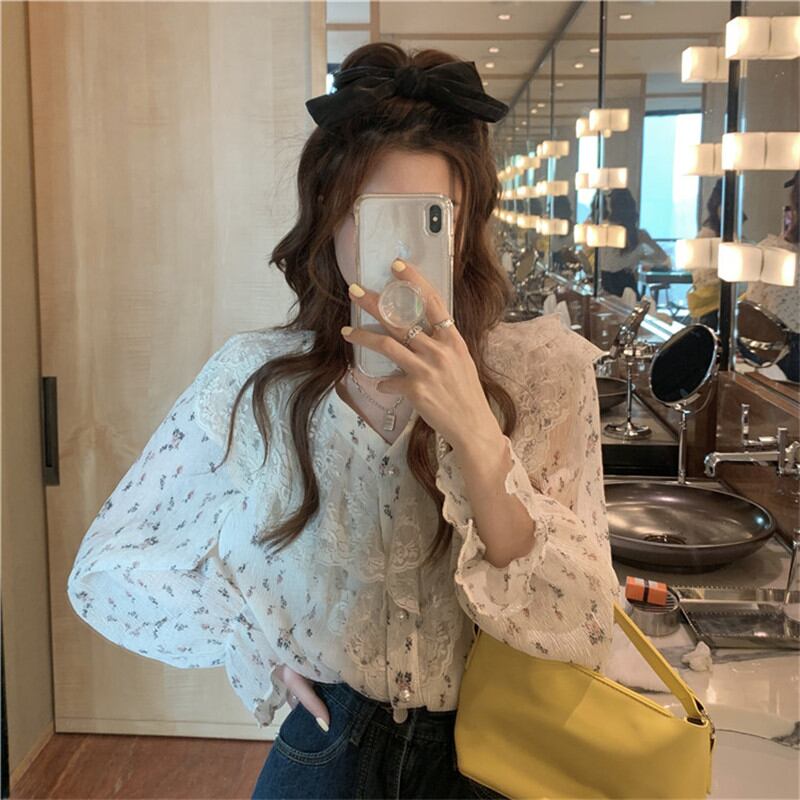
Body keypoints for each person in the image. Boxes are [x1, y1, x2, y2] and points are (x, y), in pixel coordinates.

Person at [67, 43, 619, 800]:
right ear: (328, 220)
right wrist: (251, 641)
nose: (401, 260)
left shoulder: (542, 374)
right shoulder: (257, 383)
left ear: (466, 229)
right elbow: (111, 564)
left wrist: (477, 436)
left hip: (492, 756)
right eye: (373, 218)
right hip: (325, 749)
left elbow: (585, 619)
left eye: (431, 220)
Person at [743, 171, 800, 382]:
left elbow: (752, 316)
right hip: (780, 361)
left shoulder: (771, 254)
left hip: (778, 361)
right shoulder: (773, 254)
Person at [598, 188, 670, 300]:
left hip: (606, 288)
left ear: (611, 207)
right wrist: (642, 259)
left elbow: (607, 262)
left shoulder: (603, 232)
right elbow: (663, 259)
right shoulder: (639, 236)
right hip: (627, 288)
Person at [687, 179, 722, 329]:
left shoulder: (709, 236)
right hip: (711, 304)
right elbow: (700, 274)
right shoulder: (707, 237)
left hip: (717, 301)